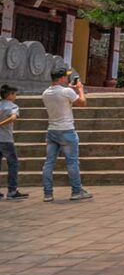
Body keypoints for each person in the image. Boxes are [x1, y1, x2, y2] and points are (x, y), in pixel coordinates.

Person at [41, 65, 91, 202]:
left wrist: (69, 89)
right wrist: (80, 90)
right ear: (62, 78)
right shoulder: (66, 92)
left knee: (49, 163)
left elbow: (61, 98)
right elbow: (82, 103)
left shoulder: (45, 93)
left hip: (52, 130)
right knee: (72, 162)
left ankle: (48, 193)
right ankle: (76, 190)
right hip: (67, 129)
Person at [0, 84, 28, 200]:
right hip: (6, 139)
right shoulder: (13, 106)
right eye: (14, 94)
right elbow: (13, 118)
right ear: (10, 95)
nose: (15, 96)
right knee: (13, 164)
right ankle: (12, 190)